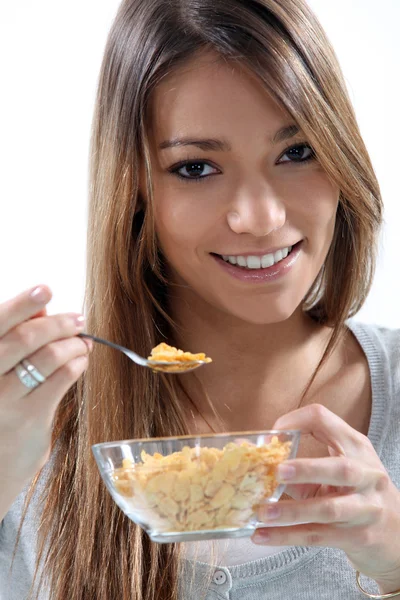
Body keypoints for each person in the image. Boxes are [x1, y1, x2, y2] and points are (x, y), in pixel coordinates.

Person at [1, 0, 399, 598]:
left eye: (297, 152)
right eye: (195, 168)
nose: (259, 218)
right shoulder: (31, 429)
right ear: (134, 187)